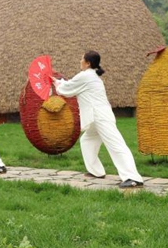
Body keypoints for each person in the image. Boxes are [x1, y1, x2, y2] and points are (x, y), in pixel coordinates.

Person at [52, 51, 144, 189]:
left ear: (88, 63)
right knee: (87, 140)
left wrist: (57, 84)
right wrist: (58, 82)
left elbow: (66, 89)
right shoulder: (91, 76)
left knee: (116, 145)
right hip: (96, 116)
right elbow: (71, 85)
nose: (80, 61)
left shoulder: (85, 76)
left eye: (82, 59)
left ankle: (133, 178)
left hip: (100, 116)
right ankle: (96, 171)